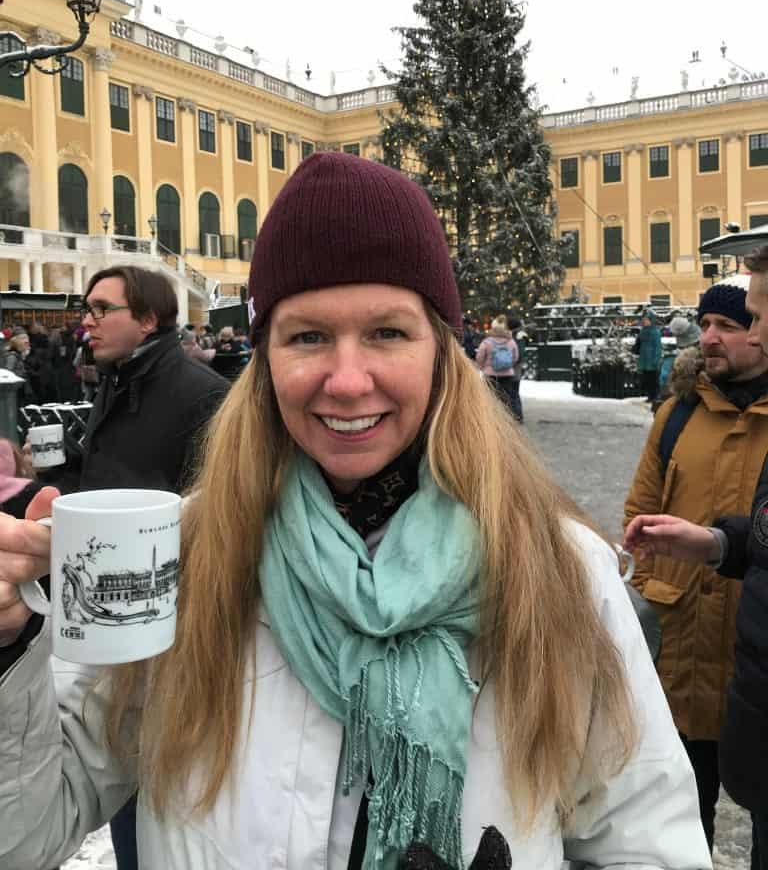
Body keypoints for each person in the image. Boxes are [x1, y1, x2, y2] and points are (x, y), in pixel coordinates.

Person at [0, 153, 710, 870]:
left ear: (441, 351)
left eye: (387, 333)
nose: (346, 380)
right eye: (307, 336)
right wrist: (7, 647)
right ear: (264, 357)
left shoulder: (555, 567)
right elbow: (25, 837)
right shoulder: (183, 556)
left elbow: (646, 842)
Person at [77, 265, 230, 869]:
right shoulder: (118, 379)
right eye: (84, 307)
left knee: (159, 792)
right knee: (123, 778)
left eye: (99, 308)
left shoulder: (199, 392)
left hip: (173, 628)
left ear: (147, 319)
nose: (85, 321)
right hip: (114, 623)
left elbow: (219, 514)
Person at [625, 246, 768, 870]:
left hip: (750, 650)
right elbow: (638, 512)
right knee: (679, 807)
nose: (709, 338)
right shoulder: (676, 413)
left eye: (729, 327)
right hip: (681, 644)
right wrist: (655, 582)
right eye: (705, 325)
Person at [475, 316, 523, 422]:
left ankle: (493, 419)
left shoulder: (487, 342)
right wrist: (508, 365)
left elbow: (479, 357)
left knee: (491, 397)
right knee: (506, 397)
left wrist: (482, 367)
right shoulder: (510, 341)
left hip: (490, 374)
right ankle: (506, 419)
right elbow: (515, 356)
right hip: (507, 375)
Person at [635, 312, 662, 402]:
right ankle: (650, 396)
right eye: (644, 320)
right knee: (646, 378)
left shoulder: (655, 332)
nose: (644, 322)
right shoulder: (642, 331)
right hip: (644, 358)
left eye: (646, 320)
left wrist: (656, 360)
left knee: (653, 378)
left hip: (651, 358)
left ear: (651, 320)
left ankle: (655, 396)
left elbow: (657, 347)